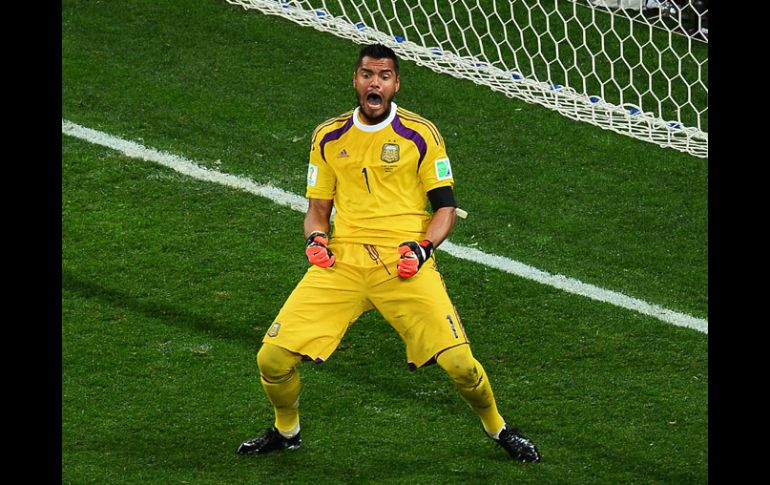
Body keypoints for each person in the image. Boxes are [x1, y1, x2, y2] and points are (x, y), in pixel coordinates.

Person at [235, 43, 541, 463]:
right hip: (343, 263)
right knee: (271, 358)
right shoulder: (327, 136)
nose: (373, 83)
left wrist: (423, 247)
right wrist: (315, 240)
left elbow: (446, 209)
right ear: (356, 81)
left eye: (383, 76)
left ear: (396, 84)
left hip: (404, 265)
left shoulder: (420, 134)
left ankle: (499, 427)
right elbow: (317, 211)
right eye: (366, 75)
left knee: (460, 366)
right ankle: (286, 430)